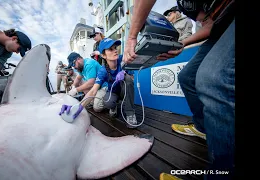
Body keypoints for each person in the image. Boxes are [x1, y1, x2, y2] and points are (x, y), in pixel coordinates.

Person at [123, 0, 235, 179]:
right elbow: (209, 24)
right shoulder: (204, 11)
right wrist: (182, 44)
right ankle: (203, 127)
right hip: (220, 26)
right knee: (187, 77)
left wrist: (131, 37)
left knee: (213, 78)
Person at [75, 38, 137, 128]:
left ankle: (130, 114)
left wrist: (125, 74)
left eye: (115, 48)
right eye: (111, 49)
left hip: (125, 91)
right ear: (103, 55)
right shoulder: (103, 71)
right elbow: (93, 90)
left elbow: (132, 79)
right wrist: (78, 108)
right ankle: (113, 107)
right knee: (107, 102)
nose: (115, 50)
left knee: (127, 79)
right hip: (113, 92)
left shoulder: (123, 60)